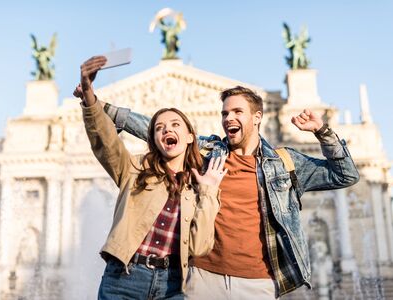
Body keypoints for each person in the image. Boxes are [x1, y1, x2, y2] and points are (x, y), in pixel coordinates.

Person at [93, 84, 360, 299]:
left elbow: (345, 174)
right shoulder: (208, 152)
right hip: (202, 278)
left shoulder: (284, 163)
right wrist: (106, 109)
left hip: (258, 281)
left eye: (236, 112)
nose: (228, 118)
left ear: (257, 118)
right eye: (224, 113)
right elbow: (159, 129)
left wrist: (323, 132)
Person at [77, 55, 227, 299]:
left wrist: (209, 191)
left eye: (176, 125)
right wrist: (89, 98)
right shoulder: (135, 168)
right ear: (154, 141)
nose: (167, 129)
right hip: (123, 278)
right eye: (159, 128)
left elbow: (200, 246)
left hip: (173, 285)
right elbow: (105, 142)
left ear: (190, 137)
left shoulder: (202, 185)